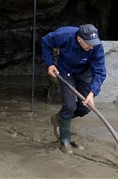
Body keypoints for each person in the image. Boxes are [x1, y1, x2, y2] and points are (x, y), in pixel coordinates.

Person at [41, 24, 106, 153]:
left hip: (85, 73)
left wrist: (92, 93)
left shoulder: (96, 46)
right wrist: (50, 64)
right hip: (66, 72)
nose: (91, 46)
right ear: (79, 39)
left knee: (85, 108)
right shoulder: (64, 35)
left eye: (93, 43)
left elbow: (100, 72)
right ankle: (65, 140)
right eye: (88, 43)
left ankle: (59, 118)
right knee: (69, 107)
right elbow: (46, 41)